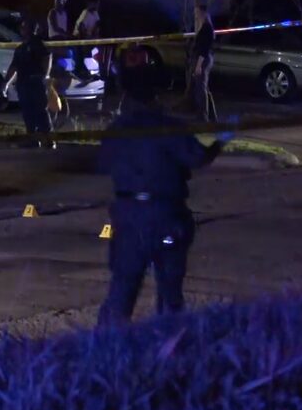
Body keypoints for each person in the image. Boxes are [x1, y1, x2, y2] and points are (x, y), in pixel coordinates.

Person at [97, 46, 235, 326]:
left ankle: (104, 355)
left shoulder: (116, 130)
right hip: (165, 214)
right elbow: (198, 157)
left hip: (128, 215)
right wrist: (221, 139)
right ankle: (171, 352)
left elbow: (103, 163)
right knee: (170, 297)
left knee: (121, 294)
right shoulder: (168, 126)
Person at [4, 18, 54, 149]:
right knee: (28, 112)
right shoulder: (20, 49)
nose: (23, 30)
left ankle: (49, 140)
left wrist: (45, 75)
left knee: (41, 111)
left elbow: (47, 58)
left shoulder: (38, 44)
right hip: (23, 83)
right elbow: (13, 67)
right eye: (23, 27)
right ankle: (32, 139)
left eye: (26, 27)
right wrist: (6, 83)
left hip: (36, 82)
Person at [192, 4, 216, 122]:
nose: (196, 15)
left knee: (201, 89)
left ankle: (203, 117)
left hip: (203, 59)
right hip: (204, 58)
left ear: (203, 13)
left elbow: (204, 48)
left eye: (197, 13)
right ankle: (210, 115)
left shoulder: (206, 28)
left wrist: (198, 65)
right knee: (203, 87)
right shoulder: (206, 27)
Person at [72, 0, 101, 78]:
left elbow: (97, 24)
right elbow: (81, 27)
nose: (97, 5)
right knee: (82, 54)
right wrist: (85, 40)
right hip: (79, 38)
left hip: (89, 37)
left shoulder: (95, 13)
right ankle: (79, 71)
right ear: (91, 3)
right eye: (96, 3)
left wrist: (96, 36)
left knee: (92, 52)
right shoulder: (85, 13)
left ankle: (85, 71)